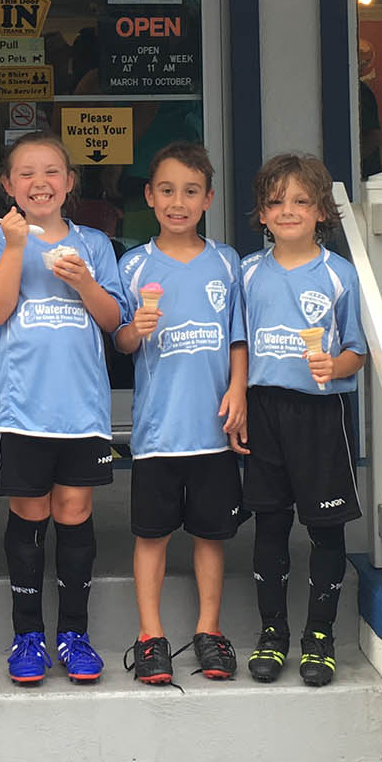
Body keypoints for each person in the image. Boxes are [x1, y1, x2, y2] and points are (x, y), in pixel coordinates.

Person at [0, 131, 124, 685]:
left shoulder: (94, 243)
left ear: (69, 182)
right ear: (8, 185)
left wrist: (85, 281)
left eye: (52, 172)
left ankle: (74, 633)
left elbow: (113, 321)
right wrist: (17, 249)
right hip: (22, 408)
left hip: (80, 407)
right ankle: (27, 636)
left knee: (74, 512)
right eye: (26, 173)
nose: (40, 182)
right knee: (29, 514)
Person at [113, 142, 248, 685]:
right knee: (151, 535)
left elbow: (238, 336)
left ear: (208, 198)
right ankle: (150, 636)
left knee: (210, 535)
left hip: (213, 430)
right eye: (166, 190)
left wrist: (239, 390)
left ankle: (209, 632)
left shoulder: (226, 261)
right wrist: (133, 332)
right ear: (149, 195)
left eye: (191, 191)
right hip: (157, 432)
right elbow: (120, 343)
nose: (178, 201)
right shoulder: (134, 264)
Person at [239, 152, 369, 688]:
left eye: (300, 200)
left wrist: (333, 364)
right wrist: (239, 402)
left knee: (324, 526)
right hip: (264, 407)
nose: (287, 210)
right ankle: (273, 632)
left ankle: (320, 635)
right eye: (275, 202)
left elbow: (358, 351)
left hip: (320, 412)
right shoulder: (246, 272)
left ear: (321, 211)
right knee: (269, 522)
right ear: (262, 214)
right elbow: (238, 343)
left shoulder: (339, 275)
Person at [356, 39, 382, 180]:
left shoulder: (360, 92)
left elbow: (373, 136)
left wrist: (353, 159)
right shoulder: (357, 90)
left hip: (365, 176)